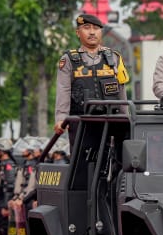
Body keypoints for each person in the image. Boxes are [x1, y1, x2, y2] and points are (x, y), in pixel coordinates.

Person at [54, 13, 130, 146]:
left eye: (96, 28)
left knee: (119, 160)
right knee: (81, 163)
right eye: (87, 28)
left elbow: (121, 91)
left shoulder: (114, 58)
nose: (92, 32)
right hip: (81, 121)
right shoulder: (68, 60)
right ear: (78, 32)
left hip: (112, 120)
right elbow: (63, 91)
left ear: (101, 32)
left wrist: (127, 118)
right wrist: (61, 119)